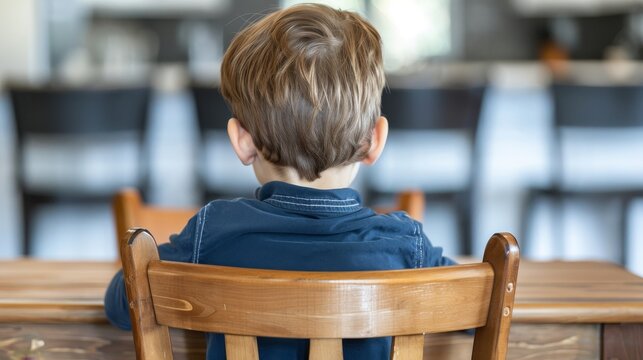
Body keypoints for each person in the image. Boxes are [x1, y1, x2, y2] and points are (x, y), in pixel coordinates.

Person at [104, 4, 455, 359]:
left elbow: (123, 301)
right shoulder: (404, 246)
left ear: (242, 140)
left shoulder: (214, 233)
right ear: (374, 140)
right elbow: (474, 302)